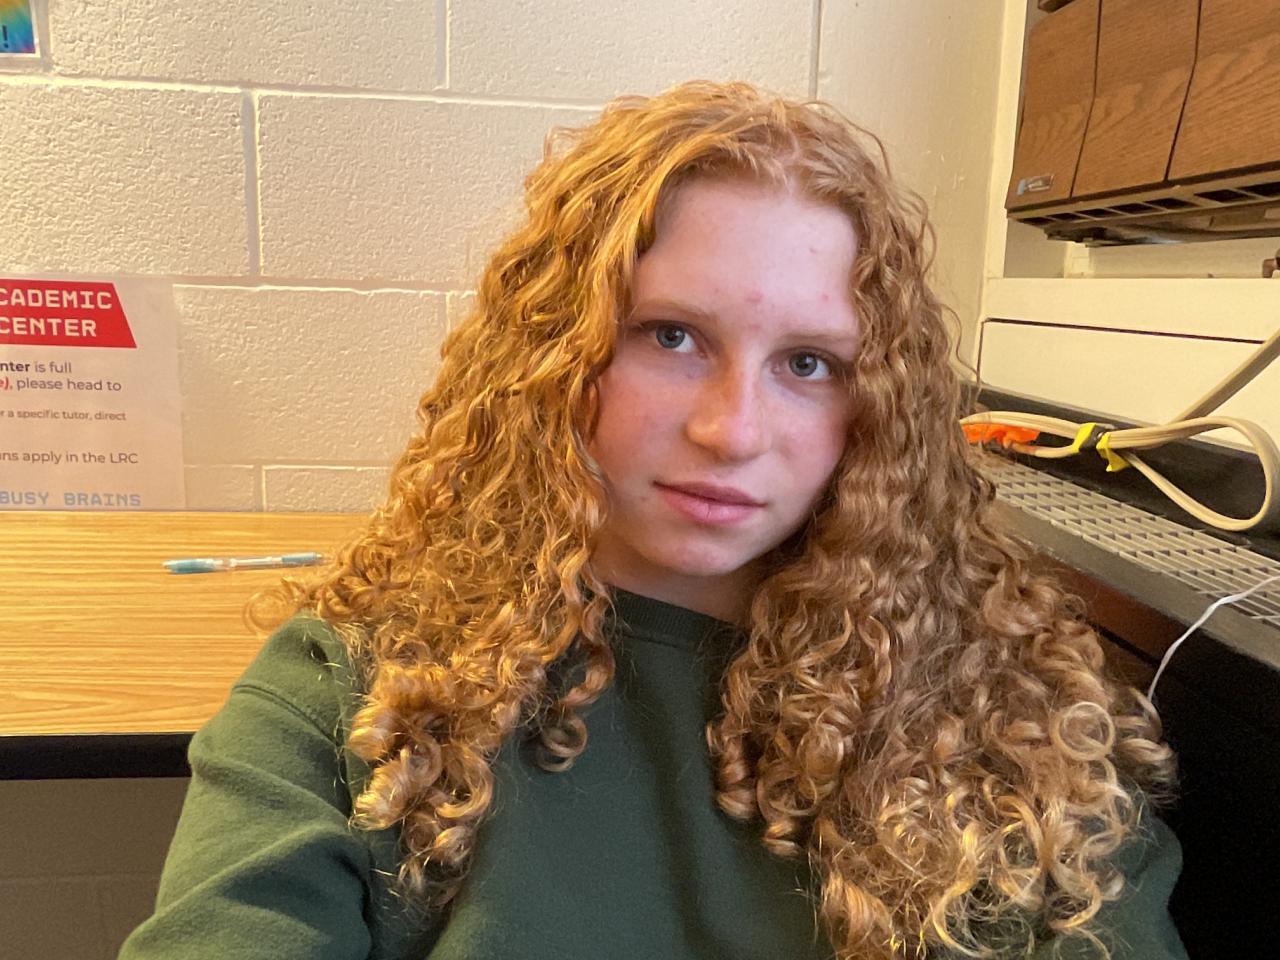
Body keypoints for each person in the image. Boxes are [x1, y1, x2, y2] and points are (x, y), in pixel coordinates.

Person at [119, 81, 1187, 960]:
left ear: (877, 409)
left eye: (807, 363)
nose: (732, 430)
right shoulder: (354, 697)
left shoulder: (1016, 725)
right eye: (671, 337)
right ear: (553, 358)